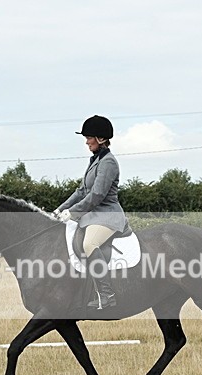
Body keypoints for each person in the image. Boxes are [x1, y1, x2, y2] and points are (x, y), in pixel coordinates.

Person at [54, 115, 128, 310]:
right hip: (93, 216)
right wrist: (60, 209)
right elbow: (81, 191)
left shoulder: (109, 162)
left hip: (108, 216)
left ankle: (107, 295)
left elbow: (96, 195)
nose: (86, 141)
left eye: (89, 137)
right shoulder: (96, 160)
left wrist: (73, 212)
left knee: (89, 243)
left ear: (101, 139)